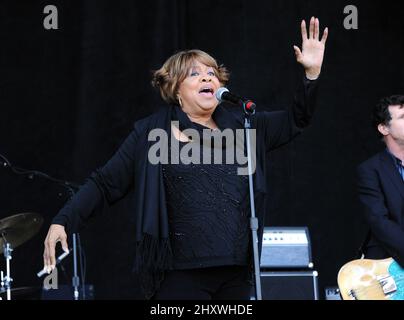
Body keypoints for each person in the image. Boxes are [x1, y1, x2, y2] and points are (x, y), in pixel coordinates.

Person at [43, 17, 328, 300]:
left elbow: (296, 119)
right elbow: (105, 183)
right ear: (175, 90)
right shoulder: (152, 133)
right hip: (178, 275)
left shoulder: (246, 126)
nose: (207, 78)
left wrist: (311, 75)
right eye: (194, 74)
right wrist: (63, 221)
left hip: (235, 273)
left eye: (212, 73)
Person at [357, 95, 404, 267]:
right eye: (403, 117)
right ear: (384, 128)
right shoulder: (370, 170)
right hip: (389, 266)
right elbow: (379, 221)